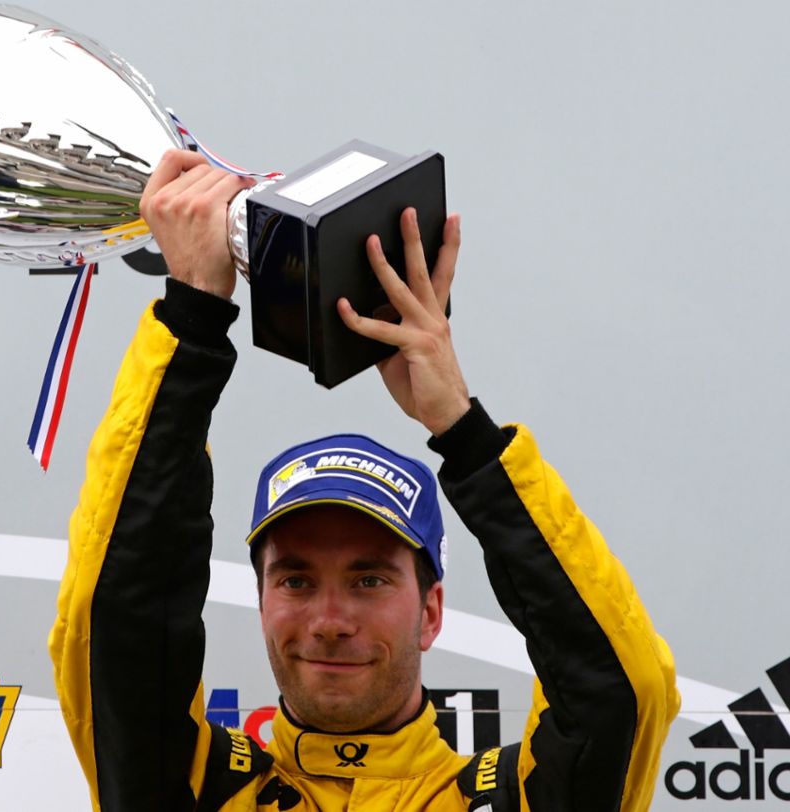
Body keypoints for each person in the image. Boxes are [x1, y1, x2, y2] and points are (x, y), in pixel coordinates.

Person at [49, 149, 680, 811]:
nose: (329, 621)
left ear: (430, 612)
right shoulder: (196, 789)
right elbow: (116, 618)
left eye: (369, 580)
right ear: (261, 603)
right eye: (296, 580)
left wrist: (465, 434)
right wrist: (192, 320)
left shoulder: (510, 802)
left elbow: (620, 688)